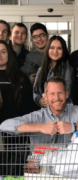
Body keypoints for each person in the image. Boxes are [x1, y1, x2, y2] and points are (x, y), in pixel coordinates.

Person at [0, 76, 78, 148]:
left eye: (60, 93)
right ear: (45, 96)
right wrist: (40, 127)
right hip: (41, 170)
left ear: (66, 94)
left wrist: (74, 126)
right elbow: (4, 125)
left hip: (70, 168)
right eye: (52, 94)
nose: (56, 98)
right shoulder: (37, 116)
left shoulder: (77, 111)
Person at [0, 40, 35, 176]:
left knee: (17, 169)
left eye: (3, 51)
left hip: (17, 131)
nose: (0, 55)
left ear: (9, 54)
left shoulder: (19, 77)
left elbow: (28, 106)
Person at [33, 35, 73, 107]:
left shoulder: (67, 69)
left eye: (59, 48)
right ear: (47, 49)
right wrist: (39, 100)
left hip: (63, 111)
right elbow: (35, 91)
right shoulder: (41, 69)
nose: (55, 51)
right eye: (52, 48)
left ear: (63, 51)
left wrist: (49, 99)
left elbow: (67, 92)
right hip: (45, 112)